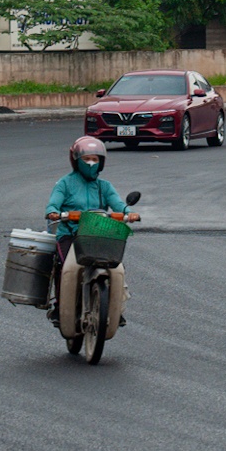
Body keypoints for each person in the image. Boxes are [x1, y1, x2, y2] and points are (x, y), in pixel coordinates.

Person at [45, 136, 139, 321]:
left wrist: (129, 213)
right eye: (86, 159)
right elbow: (53, 204)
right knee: (66, 267)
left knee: (116, 267)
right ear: (76, 160)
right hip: (70, 234)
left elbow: (118, 204)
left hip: (97, 234)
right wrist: (53, 212)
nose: (90, 163)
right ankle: (60, 306)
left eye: (95, 159)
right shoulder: (65, 183)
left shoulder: (104, 186)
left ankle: (114, 309)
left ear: (101, 162)